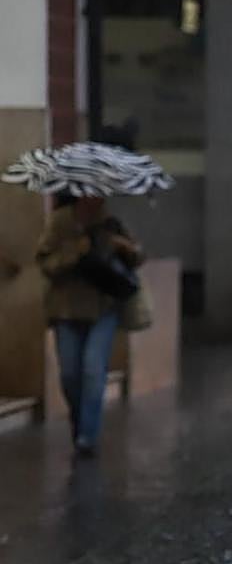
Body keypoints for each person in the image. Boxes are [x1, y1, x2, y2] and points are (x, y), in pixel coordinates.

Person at [35, 194, 143, 458]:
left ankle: (87, 436)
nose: (97, 197)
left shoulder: (111, 221)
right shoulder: (60, 222)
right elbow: (45, 263)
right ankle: (80, 423)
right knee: (70, 375)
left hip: (103, 309)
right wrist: (76, 251)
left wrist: (127, 248)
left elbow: (139, 256)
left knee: (94, 370)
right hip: (66, 310)